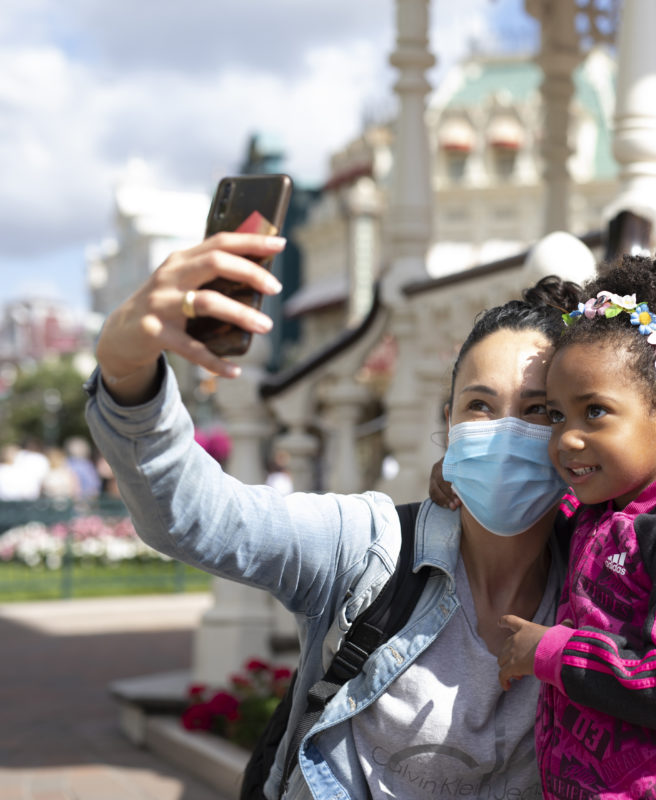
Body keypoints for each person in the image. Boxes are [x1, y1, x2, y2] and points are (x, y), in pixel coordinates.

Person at [85, 229, 584, 799]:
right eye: (480, 405)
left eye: (537, 410)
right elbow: (196, 515)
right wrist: (127, 368)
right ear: (448, 423)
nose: (504, 432)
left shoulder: (606, 581)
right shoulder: (369, 548)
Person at [495, 250, 656, 798]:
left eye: (594, 412)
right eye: (557, 415)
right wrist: (458, 481)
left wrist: (551, 652)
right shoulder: (596, 514)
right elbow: (520, 521)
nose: (567, 438)